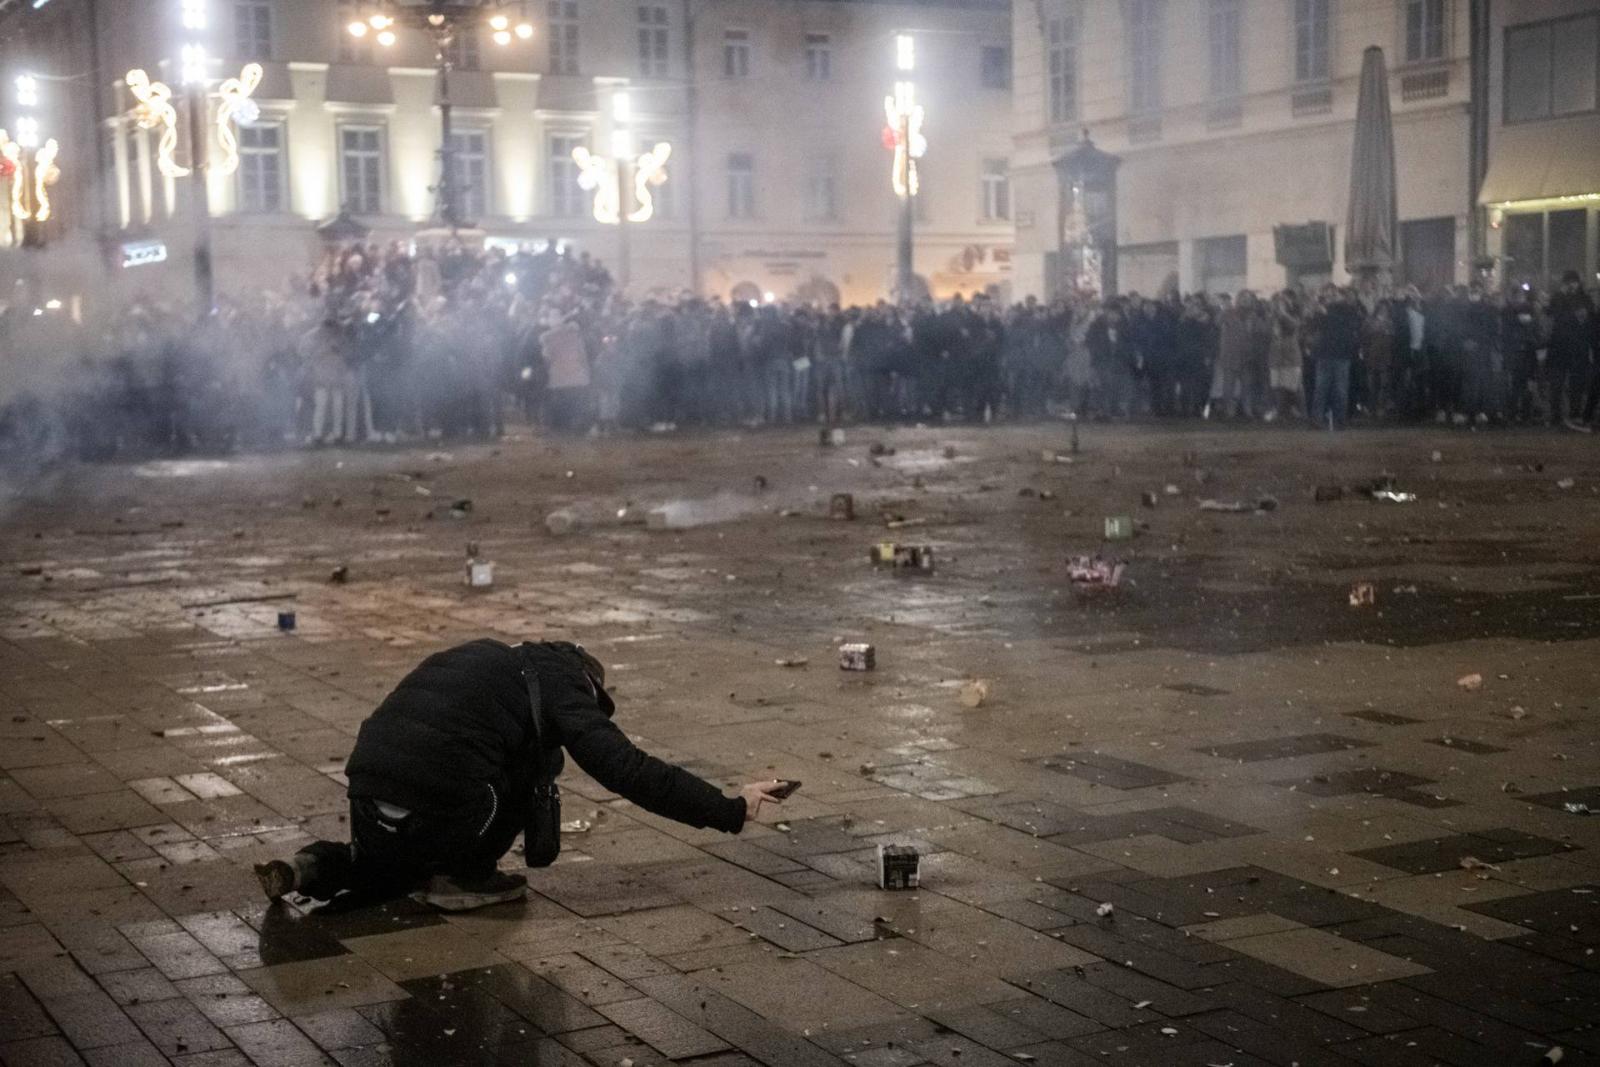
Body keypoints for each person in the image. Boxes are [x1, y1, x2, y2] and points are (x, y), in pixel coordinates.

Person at [255, 640, 787, 911]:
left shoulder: (490, 660)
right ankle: (465, 876)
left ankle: (311, 868)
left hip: (369, 788)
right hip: (443, 790)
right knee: (537, 765)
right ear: (586, 681)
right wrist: (731, 808)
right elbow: (626, 770)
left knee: (387, 869)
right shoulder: (563, 686)